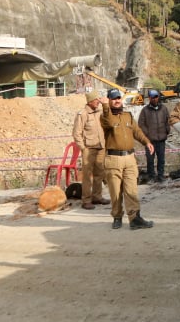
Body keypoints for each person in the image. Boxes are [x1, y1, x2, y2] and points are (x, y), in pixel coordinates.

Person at [100, 89, 154, 230]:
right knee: (115, 191)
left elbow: (137, 131)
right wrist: (105, 107)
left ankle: (135, 218)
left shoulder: (128, 116)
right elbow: (110, 123)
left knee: (131, 190)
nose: (117, 100)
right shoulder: (105, 116)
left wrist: (146, 142)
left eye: (118, 97)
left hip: (130, 158)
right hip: (113, 159)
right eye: (113, 98)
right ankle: (117, 217)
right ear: (109, 100)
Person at [72, 91, 110, 209]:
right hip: (89, 148)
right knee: (87, 175)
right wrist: (83, 148)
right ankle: (86, 200)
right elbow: (76, 133)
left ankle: (97, 197)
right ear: (90, 101)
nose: (98, 102)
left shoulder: (99, 112)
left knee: (100, 173)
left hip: (101, 147)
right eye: (96, 100)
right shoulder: (82, 114)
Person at [138, 89, 170, 182]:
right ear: (149, 98)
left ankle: (161, 176)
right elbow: (141, 124)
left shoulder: (164, 109)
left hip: (161, 139)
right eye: (152, 97)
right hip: (150, 141)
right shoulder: (144, 110)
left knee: (161, 159)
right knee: (150, 160)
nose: (154, 99)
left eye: (156, 97)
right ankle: (151, 176)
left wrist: (167, 130)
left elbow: (168, 120)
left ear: (158, 97)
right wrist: (147, 134)